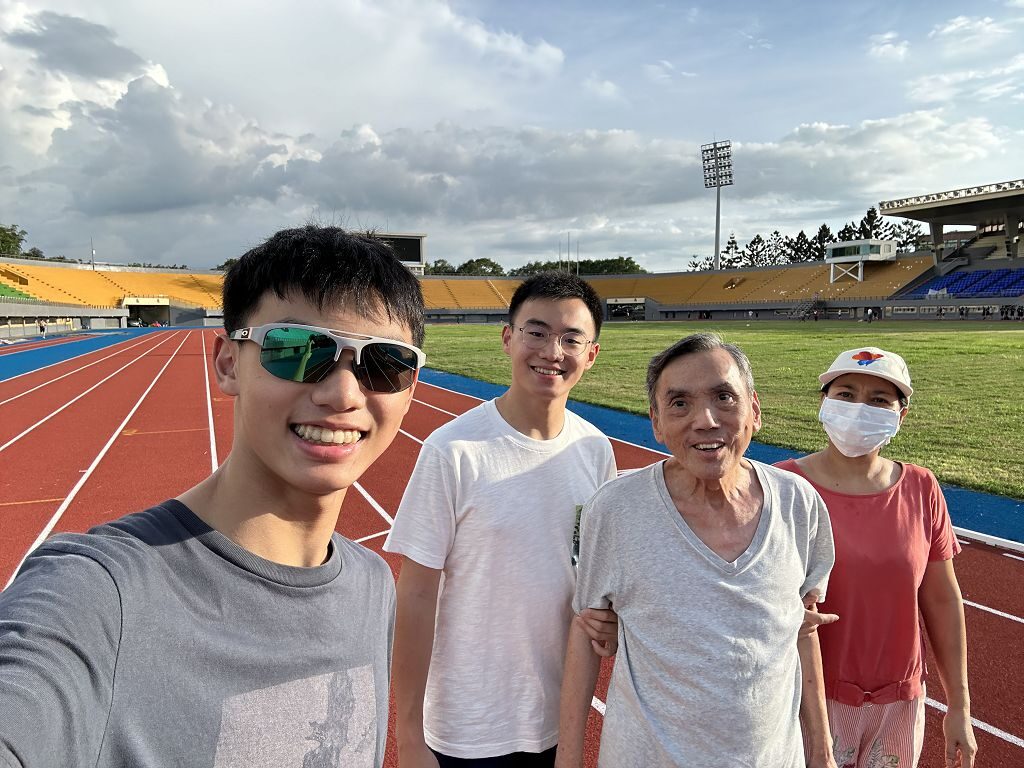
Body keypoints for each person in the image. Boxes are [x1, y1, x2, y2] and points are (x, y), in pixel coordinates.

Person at [0, 225, 427, 767]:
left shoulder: (372, 585)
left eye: (385, 363)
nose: (343, 393)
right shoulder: (98, 595)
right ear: (228, 363)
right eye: (297, 350)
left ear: (410, 389)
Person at [556, 333, 837, 768]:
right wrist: (568, 761)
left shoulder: (798, 503)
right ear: (656, 423)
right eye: (680, 403)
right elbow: (589, 630)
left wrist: (822, 752)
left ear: (754, 410)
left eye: (724, 397)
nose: (705, 420)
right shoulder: (614, 510)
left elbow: (804, 628)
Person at [385, 272, 618, 767]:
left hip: (555, 718)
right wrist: (408, 736)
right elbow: (417, 593)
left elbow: (589, 572)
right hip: (467, 726)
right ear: (508, 338)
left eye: (571, 339)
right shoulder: (453, 450)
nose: (552, 351)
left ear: (591, 354)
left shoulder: (595, 450)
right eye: (537, 332)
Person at [775, 347, 977, 768]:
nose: (858, 409)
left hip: (899, 703)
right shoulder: (782, 486)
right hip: (806, 699)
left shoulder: (921, 487)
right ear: (824, 403)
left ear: (901, 416)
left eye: (879, 400)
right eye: (846, 394)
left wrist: (959, 707)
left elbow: (942, 600)